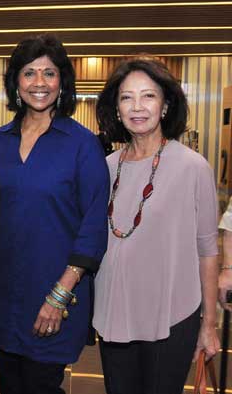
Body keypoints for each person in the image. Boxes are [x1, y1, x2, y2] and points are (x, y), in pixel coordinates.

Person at [0, 34, 110, 394]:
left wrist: (60, 294)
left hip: (55, 293)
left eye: (49, 73)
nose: (39, 83)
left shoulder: (82, 145)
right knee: (9, 384)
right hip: (2, 292)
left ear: (62, 82)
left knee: (41, 385)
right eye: (29, 73)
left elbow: (94, 225)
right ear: (15, 83)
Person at [93, 58, 220, 394]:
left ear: (165, 105)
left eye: (148, 96)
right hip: (114, 313)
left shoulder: (193, 167)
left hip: (171, 315)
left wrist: (209, 324)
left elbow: (207, 251)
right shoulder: (104, 168)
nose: (137, 107)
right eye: (126, 97)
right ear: (116, 108)